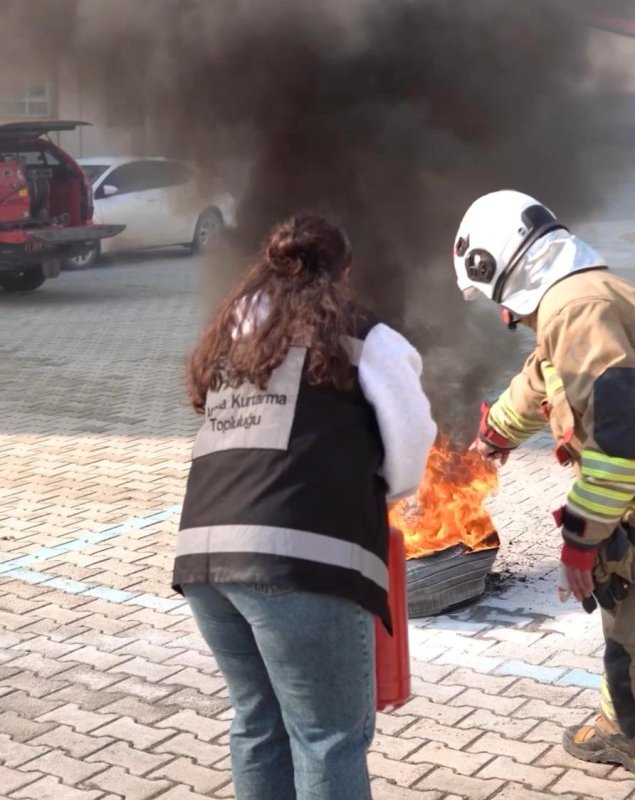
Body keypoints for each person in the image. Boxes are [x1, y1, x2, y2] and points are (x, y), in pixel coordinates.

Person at [172, 213, 437, 800]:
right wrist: (383, 489)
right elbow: (413, 438)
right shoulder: (363, 335)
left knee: (258, 723)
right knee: (328, 737)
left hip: (204, 564)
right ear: (342, 272)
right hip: (295, 565)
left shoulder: (233, 335)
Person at [452, 189, 635, 797]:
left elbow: (623, 440)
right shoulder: (580, 298)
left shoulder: (577, 309)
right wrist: (492, 437)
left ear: (503, 269)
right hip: (633, 509)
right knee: (624, 634)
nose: (503, 316)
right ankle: (620, 724)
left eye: (495, 303)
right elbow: (544, 379)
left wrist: (580, 541)